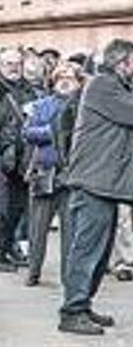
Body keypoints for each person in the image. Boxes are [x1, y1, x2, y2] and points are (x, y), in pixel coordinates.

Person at [57, 39, 133, 335]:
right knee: (87, 250)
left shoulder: (116, 88)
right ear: (121, 63)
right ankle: (72, 310)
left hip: (106, 183)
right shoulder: (103, 85)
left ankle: (83, 305)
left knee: (99, 253)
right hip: (94, 182)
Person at [22, 62, 83, 286]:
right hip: (44, 171)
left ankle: (69, 276)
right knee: (37, 228)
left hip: (73, 174)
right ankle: (33, 272)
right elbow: (27, 132)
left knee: (71, 230)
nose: (65, 81)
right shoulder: (42, 105)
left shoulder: (85, 106)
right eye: (60, 78)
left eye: (70, 77)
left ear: (79, 82)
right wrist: (54, 131)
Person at [0, 46, 38, 271]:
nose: (14, 68)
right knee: (2, 208)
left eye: (17, 64)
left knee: (18, 208)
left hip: (22, 158)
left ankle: (8, 246)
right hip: (3, 155)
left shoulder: (29, 90)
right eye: (8, 64)